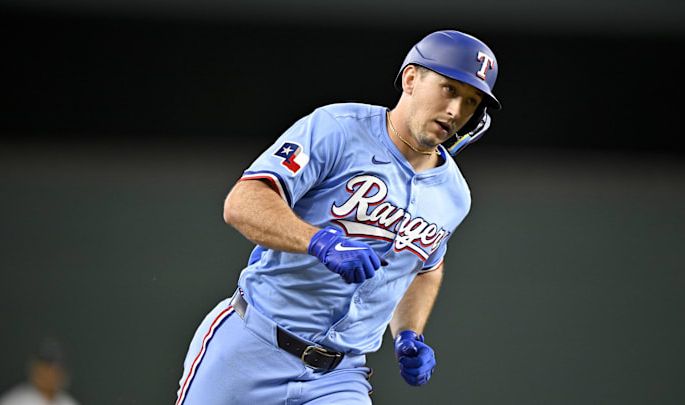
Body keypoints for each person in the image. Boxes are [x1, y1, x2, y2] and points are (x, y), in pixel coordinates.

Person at [176, 29, 501, 405]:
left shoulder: (455, 196)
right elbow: (243, 202)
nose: (456, 111)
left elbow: (425, 267)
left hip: (338, 378)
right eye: (450, 89)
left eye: (471, 101)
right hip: (251, 346)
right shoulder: (339, 128)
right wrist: (317, 240)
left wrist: (409, 333)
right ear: (411, 78)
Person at [0, 338, 80, 405]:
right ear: (34, 368)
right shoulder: (14, 401)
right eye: (45, 368)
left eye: (55, 369)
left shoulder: (69, 402)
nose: (51, 374)